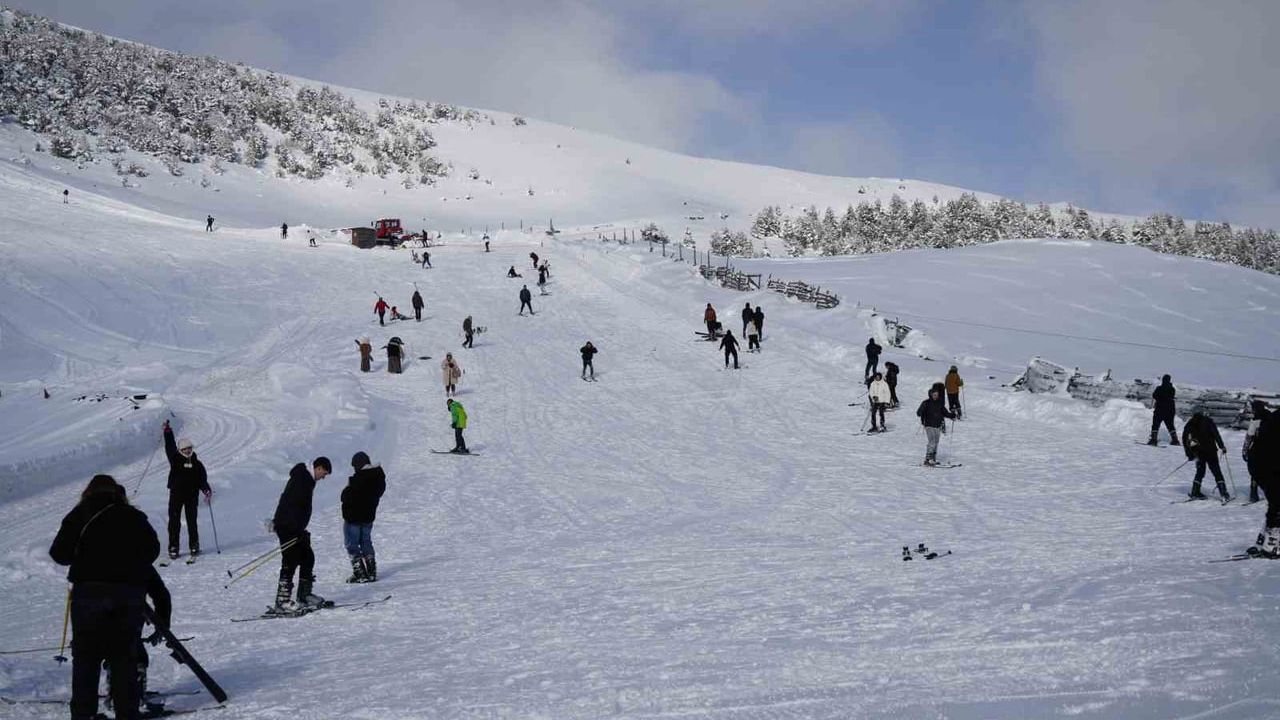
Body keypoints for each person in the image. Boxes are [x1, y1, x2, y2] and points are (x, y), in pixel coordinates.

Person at [50, 474, 160, 720]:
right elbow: (152, 550)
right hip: (127, 595)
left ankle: (82, 714)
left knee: (85, 661)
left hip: (88, 596)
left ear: (89, 491)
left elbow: (59, 553)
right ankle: (126, 713)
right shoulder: (132, 516)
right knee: (124, 659)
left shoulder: (80, 514)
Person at [104, 566, 170, 716]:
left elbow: (160, 593)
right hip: (121, 611)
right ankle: (132, 696)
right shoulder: (139, 558)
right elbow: (161, 594)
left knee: (115, 650)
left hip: (98, 609)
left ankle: (117, 691)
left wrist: (162, 625)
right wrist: (163, 624)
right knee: (132, 652)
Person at [271, 457, 332, 612]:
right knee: (290, 561)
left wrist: (300, 530)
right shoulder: (302, 479)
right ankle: (282, 601)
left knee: (307, 557)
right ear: (318, 468)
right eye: (323, 474)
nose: (323, 477)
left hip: (295, 527)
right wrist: (295, 529)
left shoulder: (306, 479)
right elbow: (290, 506)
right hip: (287, 527)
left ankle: (304, 595)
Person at [162, 420, 211, 561]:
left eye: (189, 448)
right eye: (185, 449)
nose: (188, 451)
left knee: (192, 521)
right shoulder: (175, 459)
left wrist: (206, 489)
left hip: (191, 496)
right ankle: (173, 547)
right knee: (174, 521)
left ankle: (194, 545)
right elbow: (170, 446)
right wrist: (168, 432)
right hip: (176, 495)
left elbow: (202, 479)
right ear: (180, 451)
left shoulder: (197, 463)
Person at [341, 452, 385, 584]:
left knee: (352, 545)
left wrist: (347, 489)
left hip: (353, 517)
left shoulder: (358, 479)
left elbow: (345, 497)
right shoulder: (378, 477)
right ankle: (371, 572)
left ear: (358, 465)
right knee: (366, 542)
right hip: (368, 516)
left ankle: (360, 573)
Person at [1245, 402, 1279, 556]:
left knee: (1274, 504)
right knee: (1277, 506)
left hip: (1258, 464)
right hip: (1269, 465)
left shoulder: (1271, 418)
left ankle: (1262, 542)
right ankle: (1272, 545)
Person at [1182, 412, 1229, 500]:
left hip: (1198, 452)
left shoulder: (1190, 423)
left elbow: (1185, 439)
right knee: (1216, 472)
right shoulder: (1208, 421)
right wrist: (1222, 446)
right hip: (1211, 450)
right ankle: (1224, 493)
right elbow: (1216, 435)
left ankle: (1195, 491)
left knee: (1200, 471)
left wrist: (1189, 454)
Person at [916, 387, 955, 466]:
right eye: (934, 395)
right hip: (929, 425)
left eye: (937, 395)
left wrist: (952, 415)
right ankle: (928, 458)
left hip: (937, 425)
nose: (936, 396)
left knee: (936, 442)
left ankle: (933, 458)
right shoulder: (926, 403)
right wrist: (921, 412)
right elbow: (918, 412)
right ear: (931, 395)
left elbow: (945, 413)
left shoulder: (939, 403)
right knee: (932, 441)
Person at [1245, 400, 1271, 504]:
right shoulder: (1271, 417)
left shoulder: (1255, 421)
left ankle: (1253, 495)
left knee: (1255, 472)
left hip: (1257, 450)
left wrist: (1245, 450)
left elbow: (1249, 437)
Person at [1148, 374, 1180, 446]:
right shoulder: (1172, 389)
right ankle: (1175, 441)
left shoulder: (1159, 388)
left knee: (1155, 425)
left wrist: (1159, 397)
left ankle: (1153, 440)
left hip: (1160, 409)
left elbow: (1154, 395)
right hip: (1170, 410)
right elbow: (1171, 396)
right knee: (1170, 425)